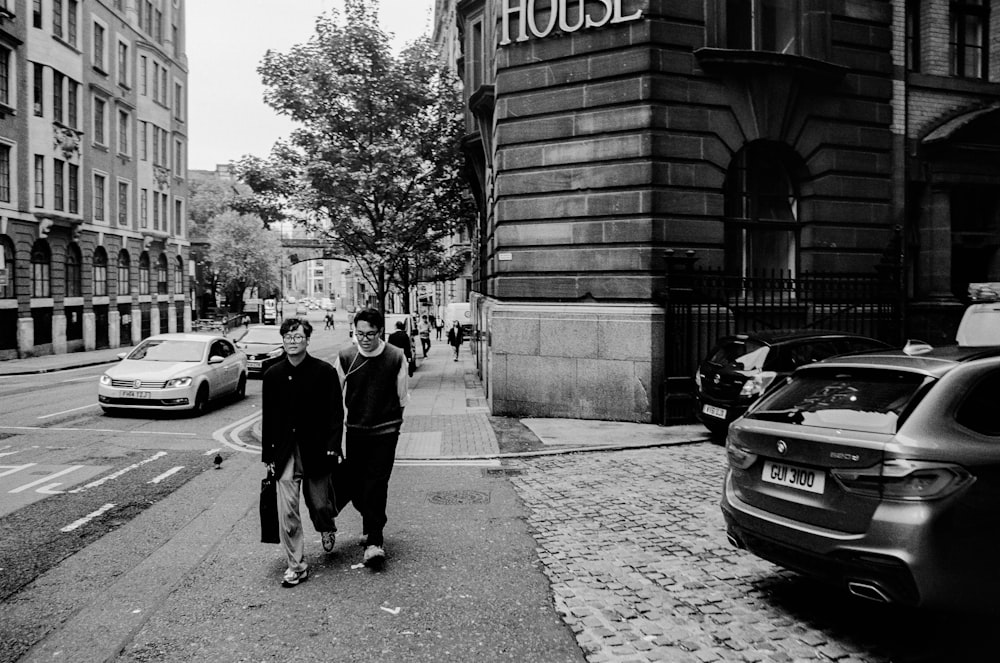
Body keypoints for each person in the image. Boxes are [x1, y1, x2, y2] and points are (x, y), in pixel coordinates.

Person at [261, 318, 344, 588]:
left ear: (307, 339)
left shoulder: (323, 372)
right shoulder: (272, 375)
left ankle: (327, 526)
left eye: (297, 336)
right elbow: (269, 418)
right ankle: (296, 565)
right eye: (287, 336)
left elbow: (334, 413)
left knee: (320, 504)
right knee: (287, 512)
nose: (292, 341)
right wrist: (268, 457)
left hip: (317, 450)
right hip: (285, 453)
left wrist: (333, 447)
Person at [337, 308, 409, 568]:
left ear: (381, 332)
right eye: (359, 334)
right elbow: (335, 397)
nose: (364, 339)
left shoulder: (395, 356)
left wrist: (393, 425)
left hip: (385, 431)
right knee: (357, 486)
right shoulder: (346, 357)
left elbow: (402, 398)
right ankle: (371, 523)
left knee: (377, 484)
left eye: (370, 334)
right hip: (355, 430)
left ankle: (374, 542)